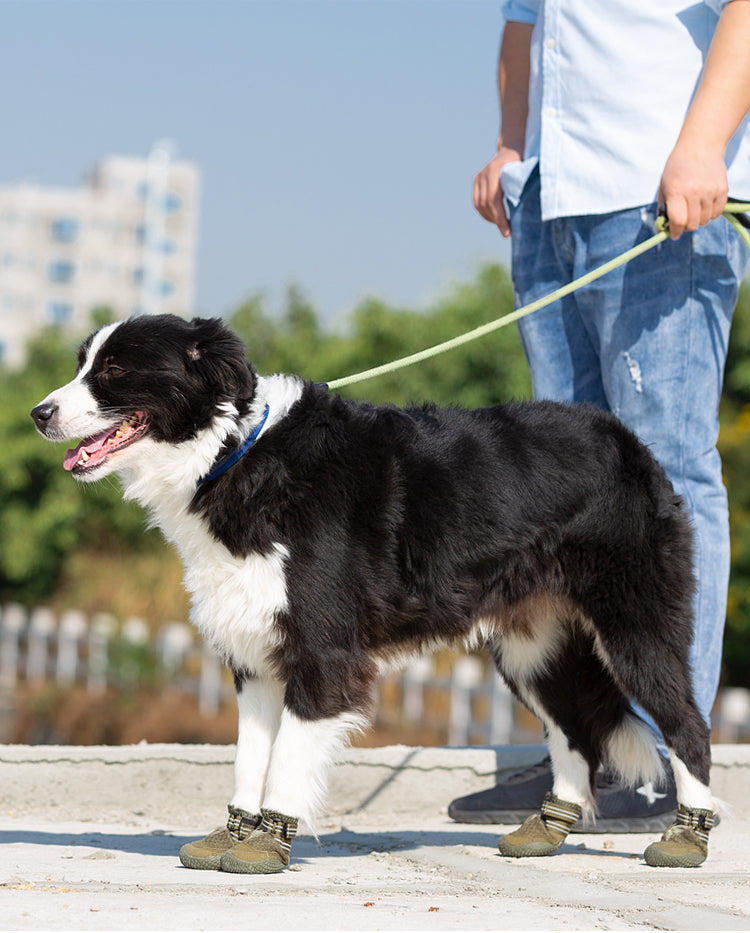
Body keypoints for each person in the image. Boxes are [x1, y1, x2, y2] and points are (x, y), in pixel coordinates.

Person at [450, 0, 750, 834]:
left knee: (668, 475)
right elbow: (521, 23)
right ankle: (582, 758)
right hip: (550, 197)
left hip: (658, 191)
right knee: (564, 495)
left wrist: (701, 146)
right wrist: (513, 146)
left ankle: (665, 759)